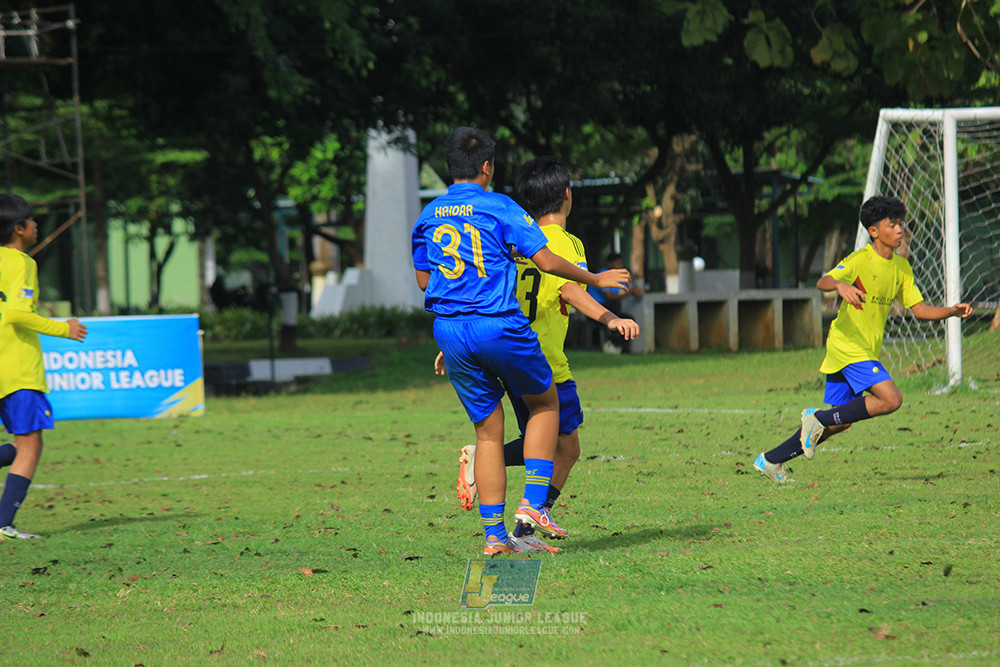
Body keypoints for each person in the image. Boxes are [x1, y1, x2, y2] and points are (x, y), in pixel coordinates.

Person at [412, 128, 630, 555]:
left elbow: (425, 281)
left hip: (451, 330)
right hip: (498, 325)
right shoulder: (500, 206)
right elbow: (546, 260)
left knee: (488, 434)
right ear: (487, 167)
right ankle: (533, 505)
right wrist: (595, 278)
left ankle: (495, 538)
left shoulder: (428, 215)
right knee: (546, 404)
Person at [754, 195, 972, 482]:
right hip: (847, 345)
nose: (899, 230)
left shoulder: (901, 268)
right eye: (892, 225)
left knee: (840, 422)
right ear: (873, 231)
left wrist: (951, 311)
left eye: (901, 224)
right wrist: (840, 286)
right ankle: (816, 417)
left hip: (861, 349)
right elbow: (823, 281)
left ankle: (771, 460)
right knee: (891, 399)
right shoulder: (860, 259)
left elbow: (919, 310)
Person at [0, 193, 87, 538]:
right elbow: (17, 313)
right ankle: (4, 522)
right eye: (32, 220)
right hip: (17, 368)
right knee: (31, 445)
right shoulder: (22, 262)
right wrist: (64, 329)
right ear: (19, 228)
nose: (37, 225)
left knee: (24, 445)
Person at [589, 252, 643, 352]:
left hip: (612, 311)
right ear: (610, 264)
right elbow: (610, 296)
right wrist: (631, 292)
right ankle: (612, 342)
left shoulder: (622, 276)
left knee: (628, 320)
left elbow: (629, 289)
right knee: (615, 303)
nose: (620, 265)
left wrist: (636, 291)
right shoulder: (603, 274)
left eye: (621, 262)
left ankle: (623, 349)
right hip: (597, 308)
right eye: (617, 262)